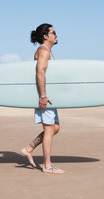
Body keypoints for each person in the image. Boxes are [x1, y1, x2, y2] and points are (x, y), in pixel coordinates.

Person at [20, 23, 65, 174]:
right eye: (54, 32)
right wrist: (43, 96)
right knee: (49, 129)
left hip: (48, 96)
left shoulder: (46, 51)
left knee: (55, 128)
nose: (56, 35)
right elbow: (40, 72)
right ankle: (47, 166)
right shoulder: (43, 51)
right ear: (46, 36)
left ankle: (29, 148)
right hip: (44, 96)